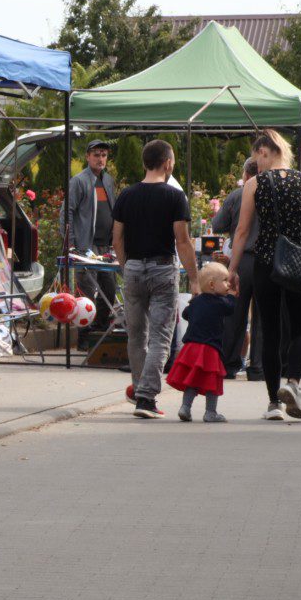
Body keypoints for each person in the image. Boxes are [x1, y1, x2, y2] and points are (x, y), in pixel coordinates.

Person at [229, 129, 301, 421]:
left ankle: (274, 403)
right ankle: (293, 383)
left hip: (266, 264)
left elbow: (243, 231)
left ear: (264, 152)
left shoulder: (254, 184)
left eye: (255, 156)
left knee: (269, 331)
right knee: (298, 329)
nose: (255, 163)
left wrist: (232, 269)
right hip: (299, 263)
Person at [112, 139, 200, 419]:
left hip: (134, 269)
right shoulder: (175, 197)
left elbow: (117, 238)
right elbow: (182, 241)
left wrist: (128, 266)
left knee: (136, 335)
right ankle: (146, 398)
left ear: (144, 163)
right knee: (162, 335)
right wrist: (195, 279)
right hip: (162, 269)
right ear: (168, 164)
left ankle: (139, 390)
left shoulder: (126, 195)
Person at [212, 157, 263, 380]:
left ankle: (228, 364)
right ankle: (258, 366)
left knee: (235, 313)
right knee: (262, 315)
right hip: (266, 260)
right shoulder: (271, 192)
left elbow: (218, 225)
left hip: (241, 260)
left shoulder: (236, 195)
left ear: (245, 174)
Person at [60, 139, 117, 332]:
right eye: (96, 155)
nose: (101, 159)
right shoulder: (78, 181)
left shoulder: (107, 180)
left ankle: (99, 331)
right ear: (87, 157)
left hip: (105, 247)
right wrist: (71, 244)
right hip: (86, 247)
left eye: (104, 155)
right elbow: (66, 212)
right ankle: (84, 336)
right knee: (85, 296)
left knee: (108, 290)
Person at [167, 262, 235, 422]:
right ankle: (210, 412)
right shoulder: (221, 303)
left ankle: (185, 407)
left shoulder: (197, 301)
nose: (228, 284)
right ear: (212, 285)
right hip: (210, 349)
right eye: (225, 280)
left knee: (193, 380)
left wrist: (195, 303)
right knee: (212, 380)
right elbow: (231, 308)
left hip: (191, 347)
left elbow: (185, 314)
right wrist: (232, 295)